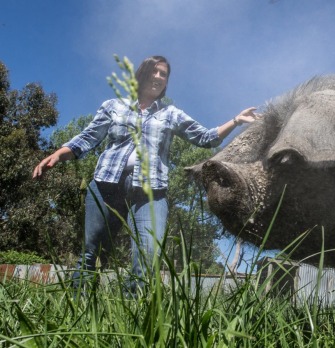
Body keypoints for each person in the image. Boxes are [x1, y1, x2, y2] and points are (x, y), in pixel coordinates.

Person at [32, 55, 259, 292]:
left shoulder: (170, 113)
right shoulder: (113, 106)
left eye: (164, 75)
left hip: (151, 191)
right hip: (106, 185)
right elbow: (88, 138)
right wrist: (60, 153)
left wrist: (236, 120)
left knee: (148, 255)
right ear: (142, 74)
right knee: (92, 252)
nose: (159, 77)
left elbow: (205, 137)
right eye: (155, 71)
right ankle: (79, 307)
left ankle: (133, 316)